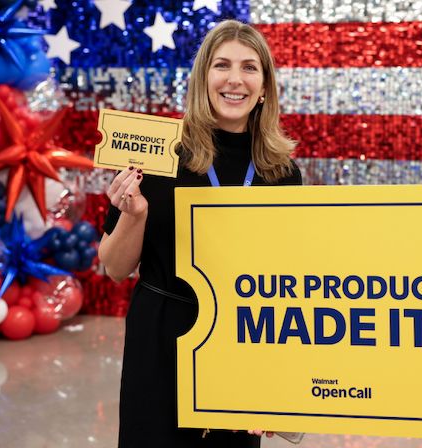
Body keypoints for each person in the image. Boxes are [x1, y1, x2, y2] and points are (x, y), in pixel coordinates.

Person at [98, 20, 302, 447]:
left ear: (264, 86)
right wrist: (134, 215)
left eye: (249, 68)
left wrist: (276, 384)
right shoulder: (157, 154)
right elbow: (115, 268)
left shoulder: (282, 172)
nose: (234, 79)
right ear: (202, 79)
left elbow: (287, 285)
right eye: (221, 65)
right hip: (161, 340)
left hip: (242, 337)